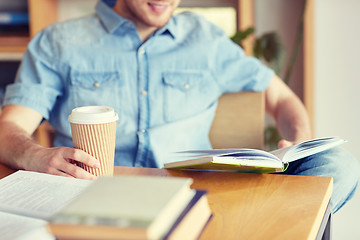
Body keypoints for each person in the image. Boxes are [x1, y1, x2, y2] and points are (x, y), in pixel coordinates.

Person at [0, 0, 358, 213]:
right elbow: (9, 129)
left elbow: (281, 98)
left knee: (337, 163)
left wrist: (296, 143)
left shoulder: (206, 40)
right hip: (96, 197)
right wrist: (36, 156)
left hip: (194, 196)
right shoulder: (59, 42)